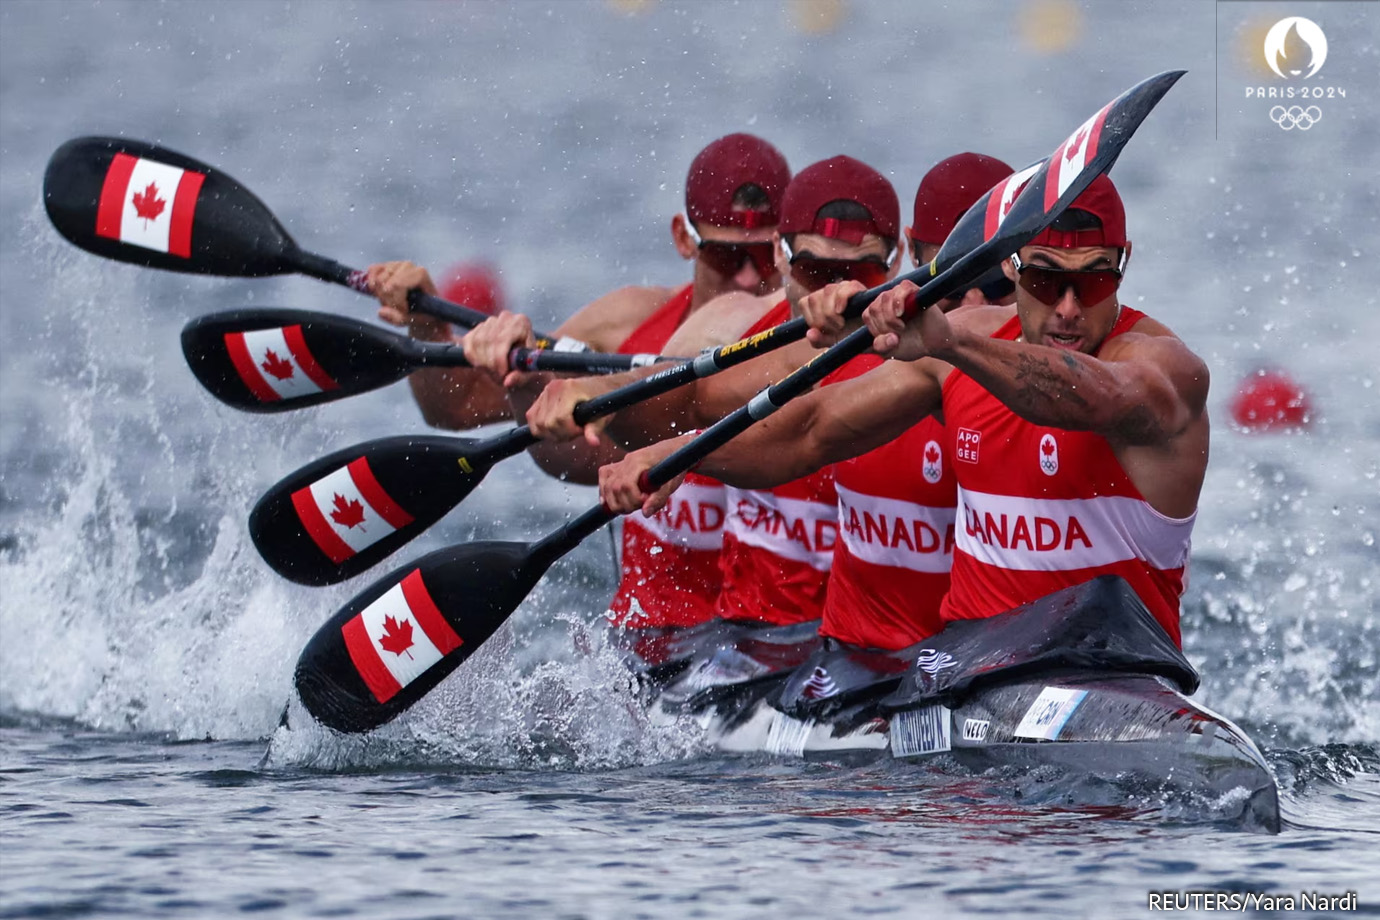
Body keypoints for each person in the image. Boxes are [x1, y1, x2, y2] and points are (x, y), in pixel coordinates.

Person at [602, 174, 1207, 648]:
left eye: (1095, 280)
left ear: (1124, 263)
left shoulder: (1168, 370)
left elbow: (1097, 397)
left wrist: (951, 343)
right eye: (1047, 281)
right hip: (970, 670)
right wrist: (686, 454)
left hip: (1122, 671)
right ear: (1014, 266)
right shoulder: (963, 343)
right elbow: (809, 432)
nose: (1070, 308)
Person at [600, 153, 1018, 652]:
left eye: (993, 286)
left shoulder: (1082, 367)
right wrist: (573, 398)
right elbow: (784, 425)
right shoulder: (736, 325)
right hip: (767, 644)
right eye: (948, 287)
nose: (971, 312)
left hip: (945, 657)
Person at [397, 134, 792, 634]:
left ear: (787, 248)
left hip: (770, 649)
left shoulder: (811, 346)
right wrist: (430, 327)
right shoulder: (625, 323)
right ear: (683, 238)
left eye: (763, 258)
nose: (745, 279)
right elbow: (456, 409)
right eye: (726, 257)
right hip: (651, 646)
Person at [527, 155, 904, 630]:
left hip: (849, 652)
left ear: (901, 258)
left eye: (862, 273)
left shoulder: (923, 352)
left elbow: (808, 427)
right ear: (783, 253)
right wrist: (591, 393)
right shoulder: (727, 326)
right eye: (816, 270)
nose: (838, 292)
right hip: (724, 640)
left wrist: (679, 452)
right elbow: (675, 396)